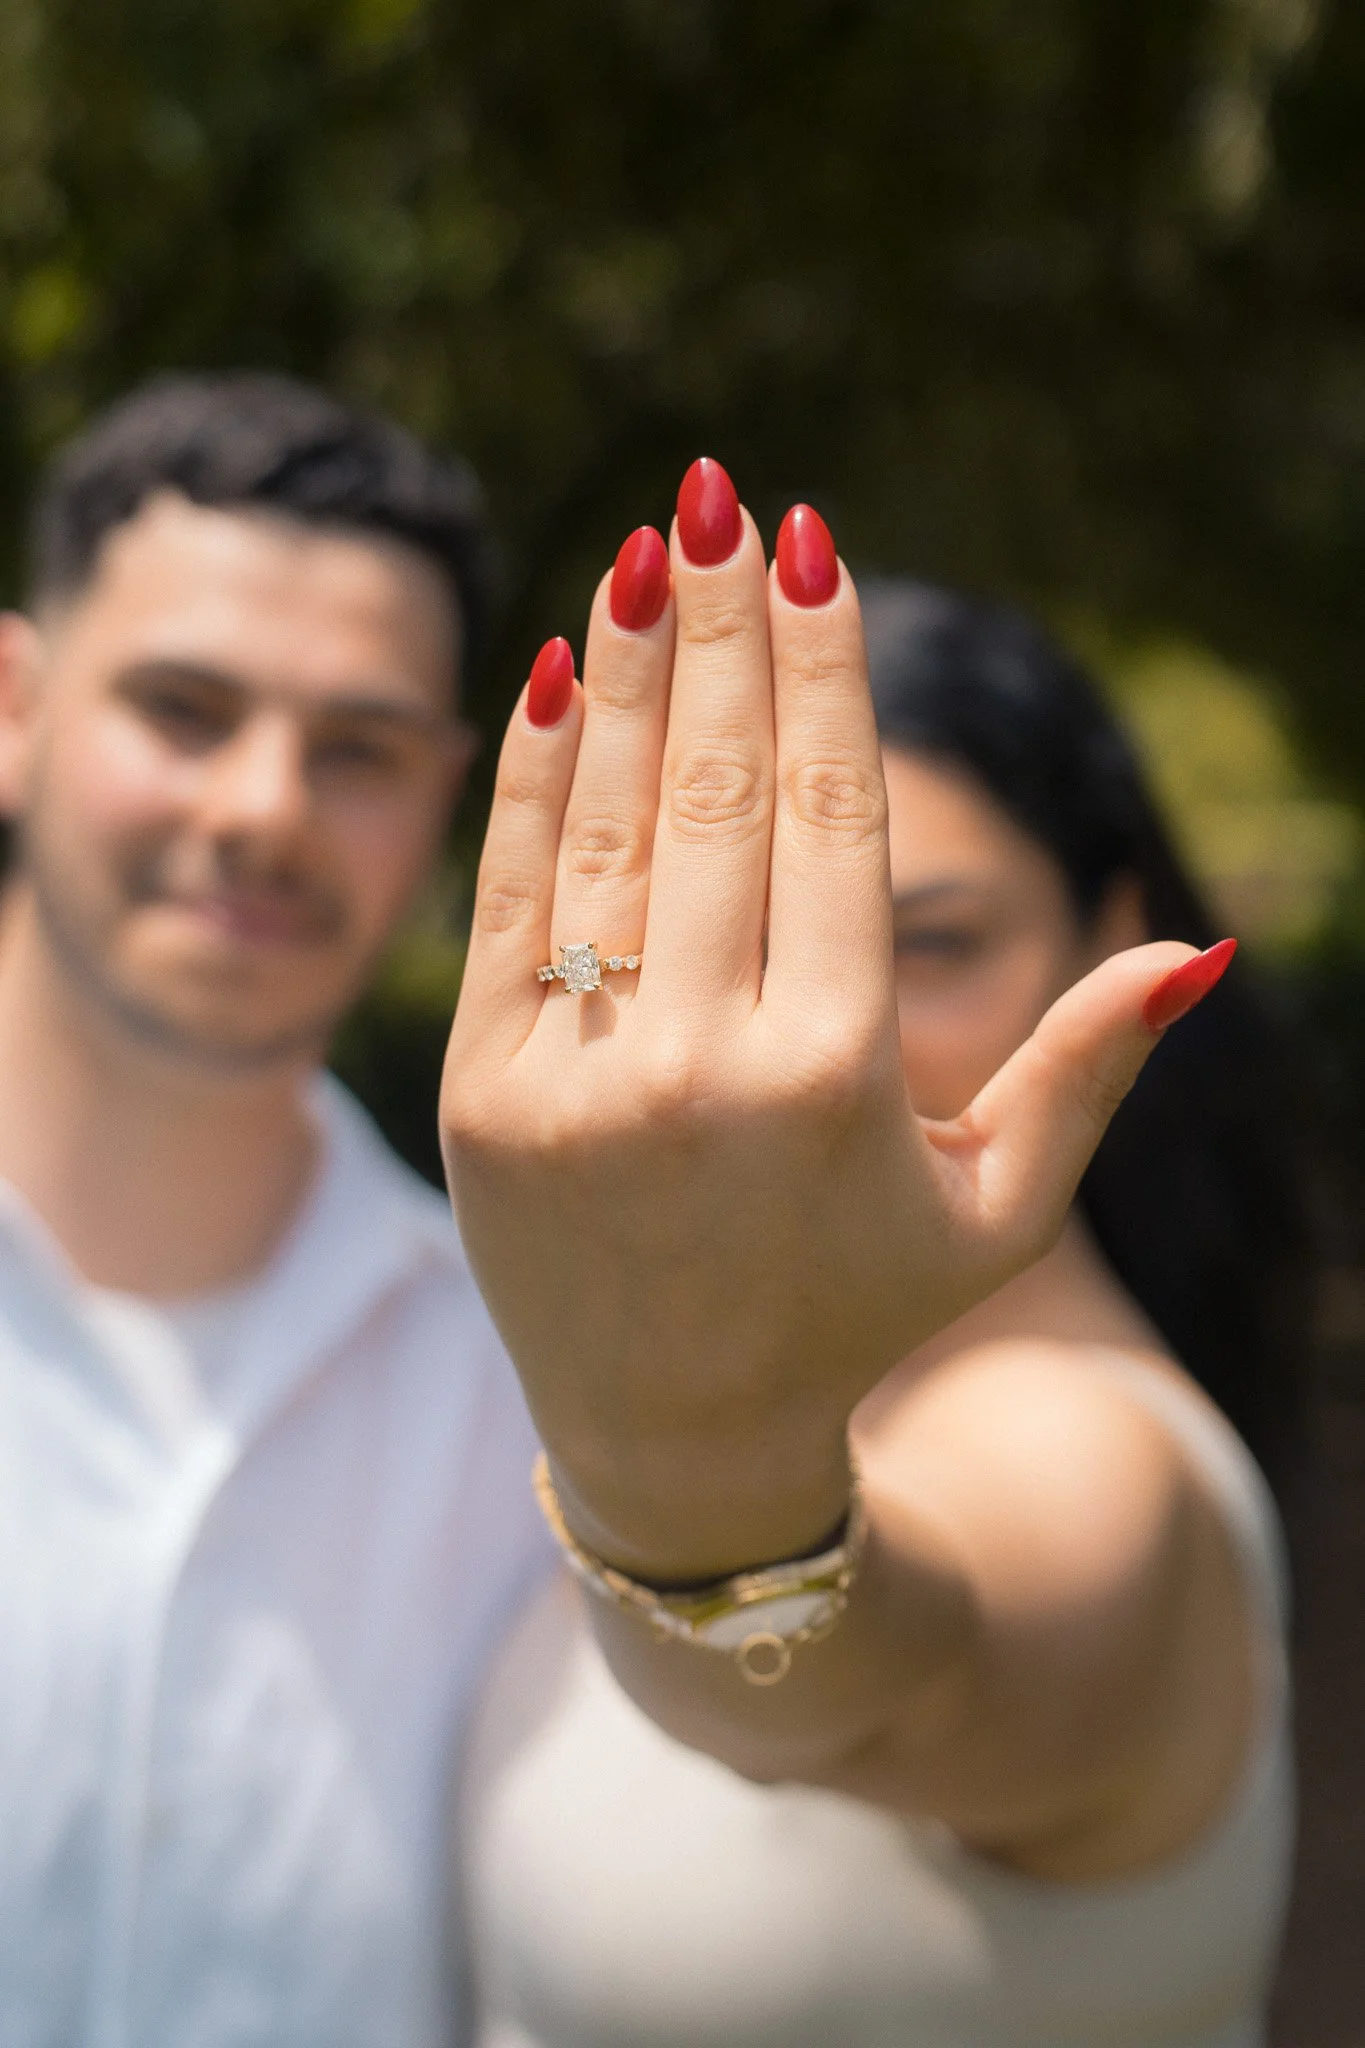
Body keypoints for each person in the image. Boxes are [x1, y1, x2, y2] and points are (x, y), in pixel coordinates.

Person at [444, 514, 1315, 2043]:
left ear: (1113, 944)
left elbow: (853, 1686)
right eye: (751, 949)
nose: (822, 1048)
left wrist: (687, 1464)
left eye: (933, 942)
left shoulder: (1095, 1461)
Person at [0, 371, 555, 2048]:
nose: (261, 808)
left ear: (447, 806)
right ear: (14, 710)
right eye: (182, 707)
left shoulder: (538, 1392)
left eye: (359, 749)